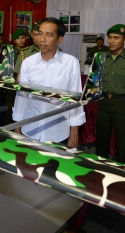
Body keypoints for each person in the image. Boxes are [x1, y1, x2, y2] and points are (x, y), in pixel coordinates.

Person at [12, 18, 85, 147]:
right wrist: (17, 127)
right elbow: (21, 97)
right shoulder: (28, 63)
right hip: (30, 130)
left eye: (49, 35)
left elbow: (76, 100)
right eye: (40, 33)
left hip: (58, 133)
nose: (42, 39)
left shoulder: (70, 63)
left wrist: (74, 133)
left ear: (59, 39)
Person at [96, 24, 125, 165]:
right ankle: (100, 167)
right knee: (101, 139)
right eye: (110, 37)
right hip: (104, 102)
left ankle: (124, 171)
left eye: (116, 38)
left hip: (122, 104)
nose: (111, 41)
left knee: (124, 141)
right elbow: (96, 81)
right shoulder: (101, 58)